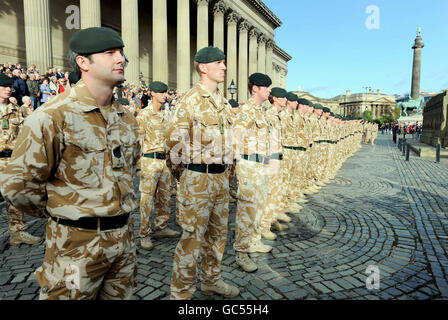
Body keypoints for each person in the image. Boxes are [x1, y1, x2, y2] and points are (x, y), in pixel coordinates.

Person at [0, 27, 141, 300]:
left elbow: (129, 171)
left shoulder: (127, 120)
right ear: (83, 62)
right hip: (74, 247)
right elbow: (18, 186)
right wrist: (64, 212)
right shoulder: (52, 117)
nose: (121, 58)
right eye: (110, 53)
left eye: (121, 52)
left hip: (123, 242)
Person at [166, 46, 239, 300]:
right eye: (219, 63)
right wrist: (186, 176)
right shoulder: (190, 100)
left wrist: (228, 176)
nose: (224, 67)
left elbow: (231, 144)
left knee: (218, 236)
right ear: (203, 67)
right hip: (197, 178)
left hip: (220, 179)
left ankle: (211, 280)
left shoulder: (224, 103)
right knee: (191, 240)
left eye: (224, 63)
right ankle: (181, 295)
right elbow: (174, 145)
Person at [233, 73, 272, 273]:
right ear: (255, 88)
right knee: (246, 210)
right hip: (249, 165)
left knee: (258, 207)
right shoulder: (246, 111)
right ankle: (241, 252)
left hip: (261, 165)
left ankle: (254, 240)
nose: (269, 91)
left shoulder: (260, 111)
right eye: (266, 87)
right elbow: (236, 141)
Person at [136, 81, 180, 251]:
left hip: (164, 161)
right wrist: (139, 164)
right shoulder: (144, 115)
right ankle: (144, 234)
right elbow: (137, 141)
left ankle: (161, 227)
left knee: (164, 196)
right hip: (150, 160)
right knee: (147, 199)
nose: (165, 95)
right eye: (161, 92)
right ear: (152, 94)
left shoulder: (165, 116)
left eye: (166, 92)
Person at [0, 73, 42, 246]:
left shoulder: (14, 109)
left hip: (9, 160)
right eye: (4, 87)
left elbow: (23, 133)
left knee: (14, 196)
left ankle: (17, 232)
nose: (9, 89)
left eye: (10, 87)